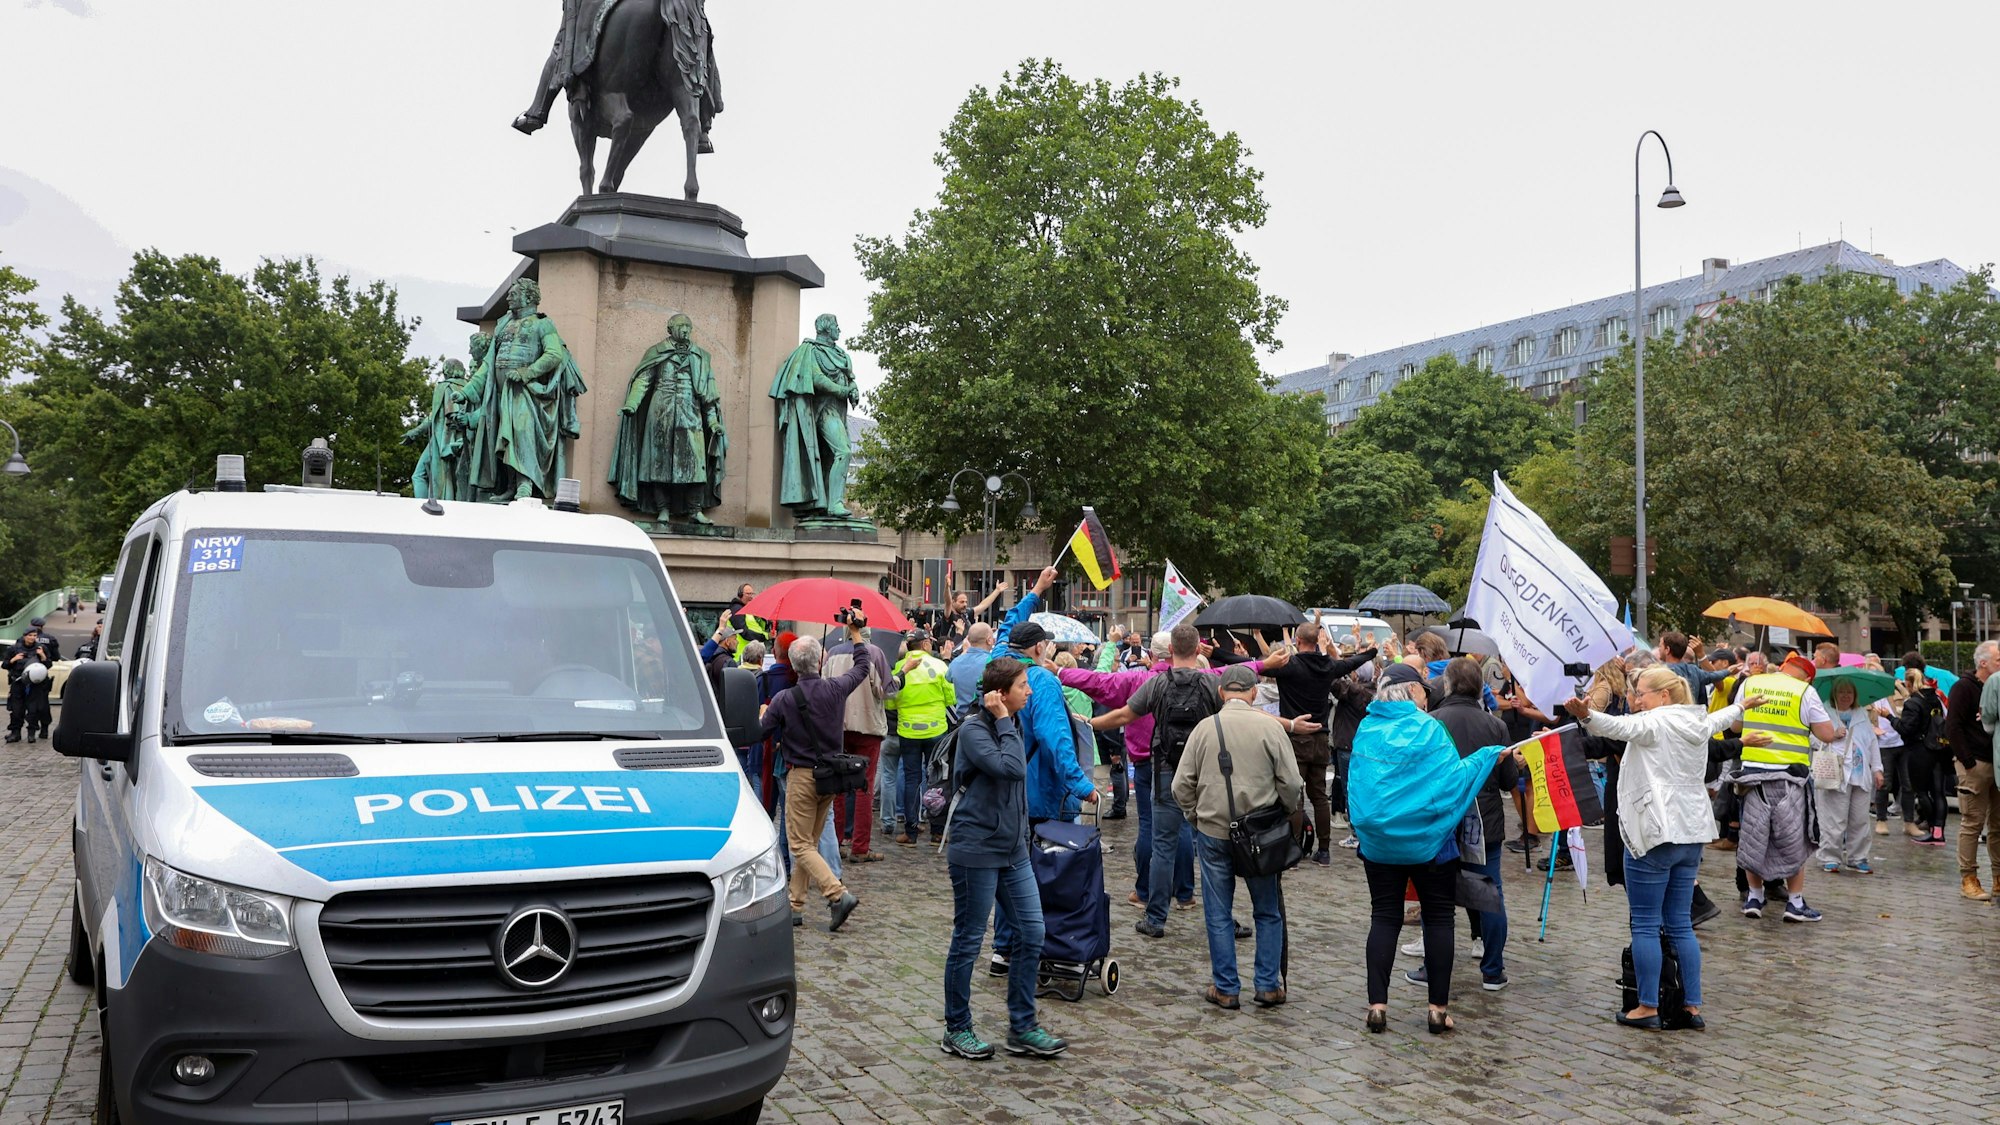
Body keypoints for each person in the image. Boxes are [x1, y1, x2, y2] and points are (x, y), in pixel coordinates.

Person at [1562, 666, 1761, 1030]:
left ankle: (1648, 1006)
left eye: (1642, 693)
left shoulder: (1655, 722)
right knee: (1680, 924)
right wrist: (1743, 705)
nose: (1637, 700)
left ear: (1664, 695)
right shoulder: (1695, 722)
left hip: (1655, 832)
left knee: (1646, 923)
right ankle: (1691, 1006)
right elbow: (1719, 718)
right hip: (1691, 833)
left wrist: (1586, 714)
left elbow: (1616, 728)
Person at [1089, 624, 1293, 940]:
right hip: (1210, 776)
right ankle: (1225, 918)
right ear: (1198, 650)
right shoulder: (1213, 683)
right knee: (1220, 847)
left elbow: (1123, 716)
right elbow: (1245, 714)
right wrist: (1289, 724)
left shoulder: (1156, 683)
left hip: (1167, 772)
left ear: (1170, 651)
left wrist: (1089, 722)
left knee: (1163, 845)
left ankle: (1155, 918)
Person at [1348, 662, 1504, 1035]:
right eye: (1422, 687)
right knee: (1439, 919)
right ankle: (1437, 1010)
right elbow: (1453, 781)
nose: (1426, 693)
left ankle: (1377, 1006)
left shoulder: (1367, 729)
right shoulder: (1430, 729)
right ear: (1412, 692)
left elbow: (1357, 785)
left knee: (1383, 917)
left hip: (1380, 843)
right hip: (1430, 845)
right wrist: (1487, 757)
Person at [938, 657, 1072, 1060]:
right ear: (999, 693)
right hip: (976, 849)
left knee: (1032, 932)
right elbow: (1012, 769)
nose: (1029, 691)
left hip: (1013, 851)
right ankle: (956, 1028)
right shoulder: (976, 730)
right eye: (1023, 686)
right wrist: (999, 720)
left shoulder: (1010, 724)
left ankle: (1023, 1027)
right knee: (969, 940)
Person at [1171, 663, 1304, 1010]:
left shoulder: (1204, 729)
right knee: (1267, 910)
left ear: (1221, 692)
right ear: (1254, 692)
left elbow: (1180, 785)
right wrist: (1285, 812)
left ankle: (1226, 987)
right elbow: (1291, 784)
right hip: (1261, 833)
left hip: (1213, 830)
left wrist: (1195, 815)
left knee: (1218, 913)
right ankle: (1267, 985)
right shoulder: (1270, 728)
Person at [760, 635, 879, 930]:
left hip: (801, 775)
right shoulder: (836, 688)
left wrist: (761, 714)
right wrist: (856, 636)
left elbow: (759, 732)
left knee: (799, 844)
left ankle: (837, 894)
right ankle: (795, 905)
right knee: (809, 843)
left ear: (791, 665)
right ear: (821, 661)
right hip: (830, 776)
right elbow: (862, 667)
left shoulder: (785, 698)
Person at [1418, 658, 1518, 993]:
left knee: (1437, 896)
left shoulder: (1431, 722)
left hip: (1442, 818)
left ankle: (1431, 967)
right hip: (1484, 818)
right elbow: (1507, 782)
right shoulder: (1495, 726)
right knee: (1491, 893)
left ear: (1446, 685)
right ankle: (1493, 970)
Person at [1729, 653, 1845, 921]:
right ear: (1807, 676)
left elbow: (1735, 725)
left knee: (1755, 836)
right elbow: (1826, 734)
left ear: (1783, 668)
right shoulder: (1805, 691)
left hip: (1753, 775)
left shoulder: (1751, 684)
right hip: (1789, 777)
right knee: (1794, 839)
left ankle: (1754, 898)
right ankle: (1794, 903)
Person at [1267, 622, 1377, 866]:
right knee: (1318, 796)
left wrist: (1220, 654)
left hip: (1296, 737)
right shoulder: (1328, 665)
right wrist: (1371, 652)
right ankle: (1324, 850)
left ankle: (1294, 851)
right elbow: (1352, 662)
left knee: (1294, 796)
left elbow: (1259, 667)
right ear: (1317, 641)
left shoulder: (1291, 666)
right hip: (1320, 738)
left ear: (1297, 640)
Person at [824, 614, 891, 862]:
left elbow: (824, 687)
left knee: (839, 786)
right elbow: (887, 691)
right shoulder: (875, 653)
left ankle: (837, 841)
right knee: (864, 787)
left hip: (838, 726)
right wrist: (901, 675)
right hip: (867, 726)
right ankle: (860, 846)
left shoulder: (832, 654)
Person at [887, 630, 954, 848]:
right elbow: (950, 698)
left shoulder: (898, 669)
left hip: (908, 731)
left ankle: (911, 831)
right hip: (936, 730)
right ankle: (937, 831)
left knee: (911, 779)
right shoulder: (940, 666)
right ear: (925, 644)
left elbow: (890, 703)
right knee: (938, 779)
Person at [1814, 680, 1883, 874]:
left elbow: (1871, 742)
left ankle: (1858, 857)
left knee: (1860, 819)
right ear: (1834, 694)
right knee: (1834, 819)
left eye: (1849, 693)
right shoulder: (1824, 713)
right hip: (1835, 773)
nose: (1846, 696)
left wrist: (1877, 768)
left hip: (1860, 774)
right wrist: (1832, 735)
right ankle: (1829, 856)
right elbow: (1811, 738)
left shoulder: (1861, 714)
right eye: (1841, 692)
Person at [1948, 640, 1999, 900]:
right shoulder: (1964, 687)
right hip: (1975, 764)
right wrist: (1967, 761)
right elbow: (1953, 726)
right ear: (1983, 663)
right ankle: (1969, 879)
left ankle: (1998, 878)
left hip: (1998, 764)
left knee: (1998, 825)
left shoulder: (1997, 686)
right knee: (1972, 823)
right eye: (1998, 660)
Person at [1899, 670, 1953, 846]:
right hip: (1939, 747)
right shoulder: (1935, 697)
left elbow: (1906, 729)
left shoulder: (1913, 702)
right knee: (1939, 792)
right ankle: (1939, 832)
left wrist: (1890, 718)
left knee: (1922, 792)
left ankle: (1931, 830)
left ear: (1908, 683)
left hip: (1920, 751)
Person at [1872, 672, 1913, 836]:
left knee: (1908, 784)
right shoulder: (1866, 698)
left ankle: (1909, 822)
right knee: (1884, 783)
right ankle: (1881, 820)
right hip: (1882, 745)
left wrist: (1900, 686)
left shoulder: (1896, 692)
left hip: (1902, 742)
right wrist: (1871, 729)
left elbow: (1909, 702)